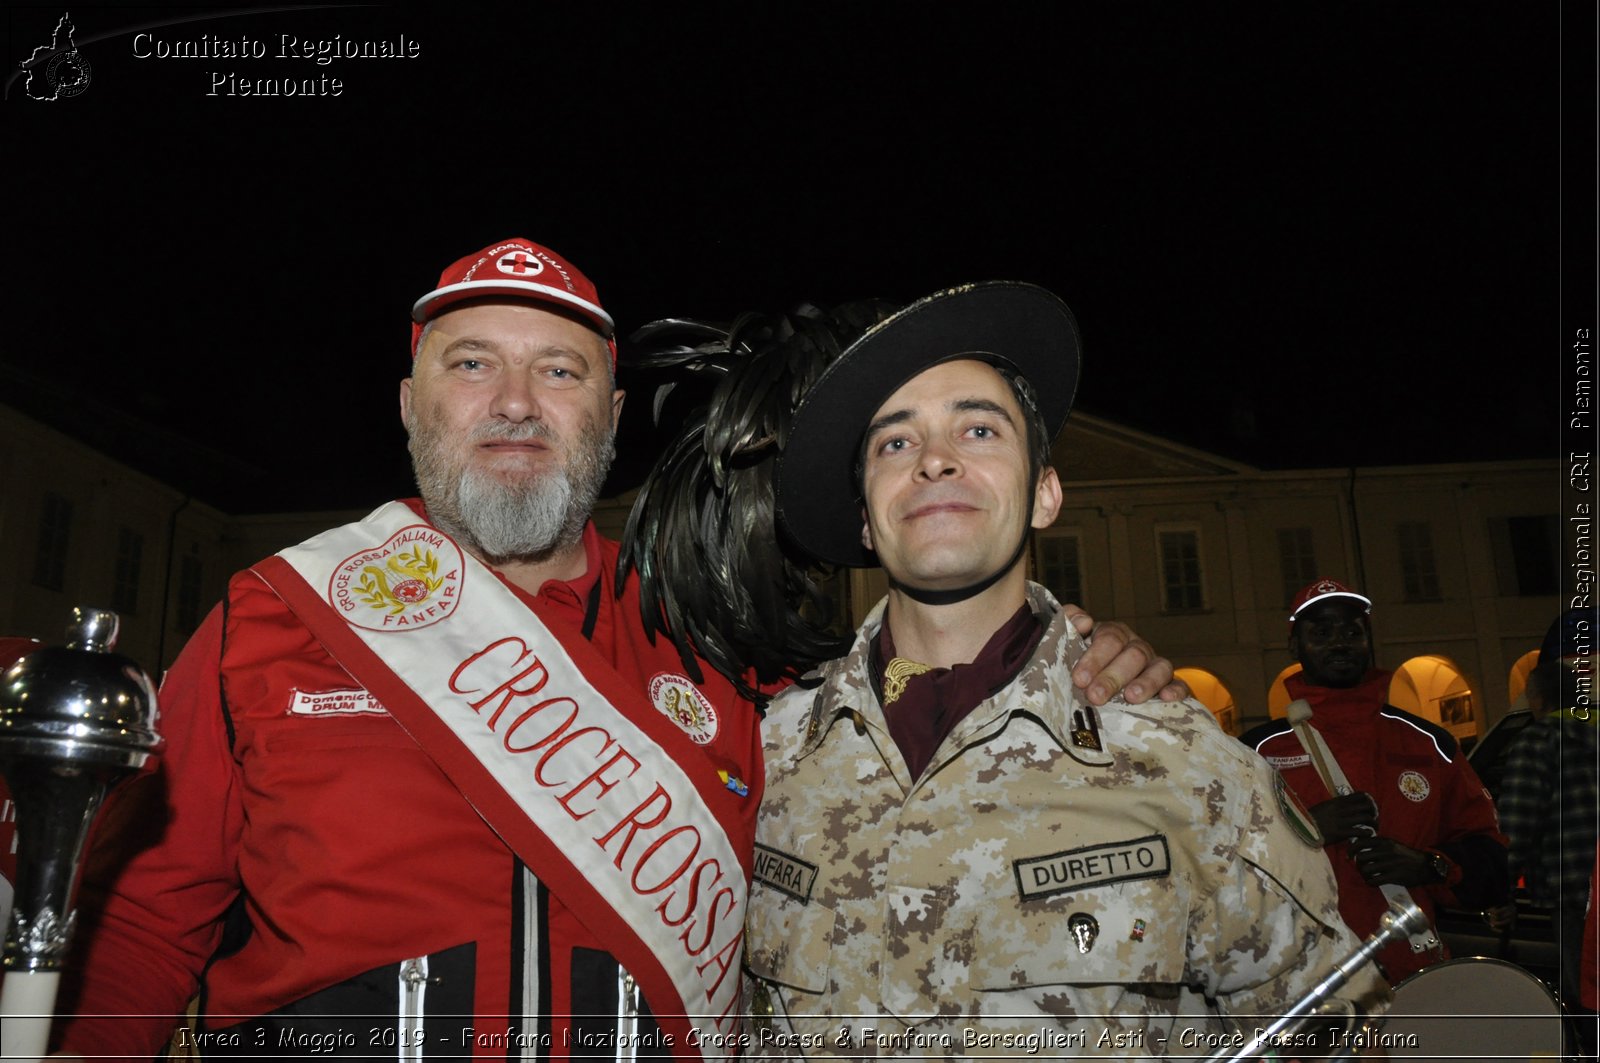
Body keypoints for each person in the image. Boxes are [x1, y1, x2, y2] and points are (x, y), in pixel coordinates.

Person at [36, 240, 1173, 1061]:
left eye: (561, 371)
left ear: (613, 415)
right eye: (472, 363)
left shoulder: (714, 634)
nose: (517, 403)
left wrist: (1072, 650)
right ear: (407, 400)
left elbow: (921, 696)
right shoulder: (271, 617)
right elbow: (137, 925)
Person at [743, 281, 1388, 1057]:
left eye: (978, 430)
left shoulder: (1190, 767)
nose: (936, 460)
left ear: (1045, 492)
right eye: (894, 442)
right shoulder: (766, 758)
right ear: (864, 522)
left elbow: (1343, 1035)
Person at [1242, 578, 1510, 986]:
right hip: (1295, 981)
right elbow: (1213, 861)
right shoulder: (1255, 751)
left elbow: (1491, 858)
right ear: (1295, 647)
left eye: (1353, 631)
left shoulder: (1427, 743)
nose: (1340, 643)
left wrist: (1429, 865)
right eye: (1322, 632)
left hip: (1408, 970)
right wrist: (1301, 829)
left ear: (1369, 640)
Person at [1497, 607, 1598, 1039]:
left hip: (1575, 894)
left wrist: (1498, 891)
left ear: (1536, 699)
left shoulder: (1534, 743)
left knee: (1588, 996)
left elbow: (1514, 829)